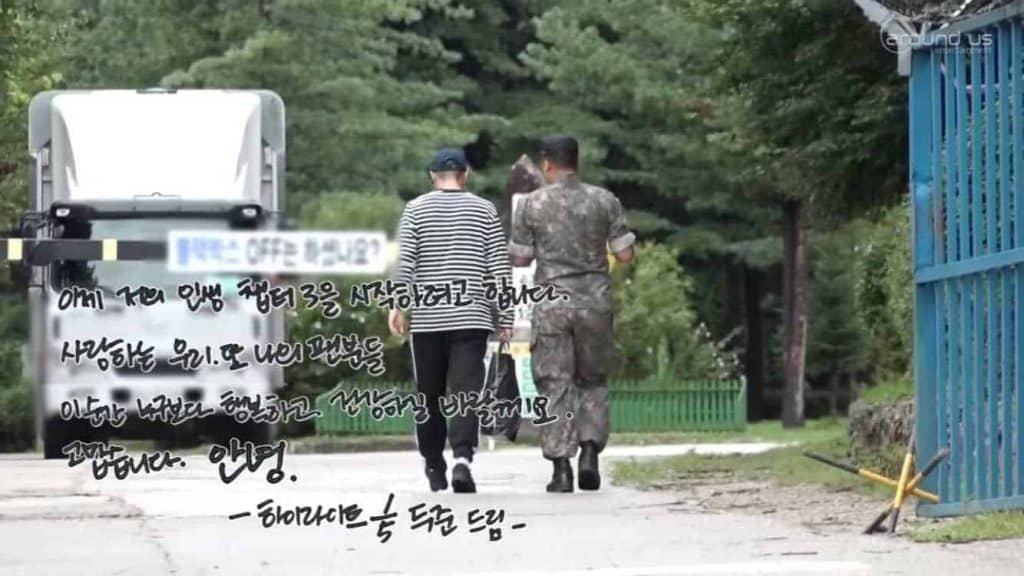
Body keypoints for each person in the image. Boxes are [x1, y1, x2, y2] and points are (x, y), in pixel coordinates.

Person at [509, 135, 635, 492]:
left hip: (551, 306)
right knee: (592, 380)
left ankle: (561, 469)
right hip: (595, 304)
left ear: (546, 163)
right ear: (576, 161)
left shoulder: (531, 204)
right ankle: (590, 452)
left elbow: (520, 258)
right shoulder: (604, 200)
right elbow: (625, 254)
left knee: (554, 383)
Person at [389, 147, 514, 493]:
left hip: (428, 321)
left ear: (432, 176)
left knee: (428, 394)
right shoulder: (484, 210)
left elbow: (406, 260)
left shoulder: (415, 209)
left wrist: (398, 304)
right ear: (465, 174)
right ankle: (462, 459)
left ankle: (433, 462)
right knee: (466, 391)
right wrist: (505, 316)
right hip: (472, 318)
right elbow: (498, 267)